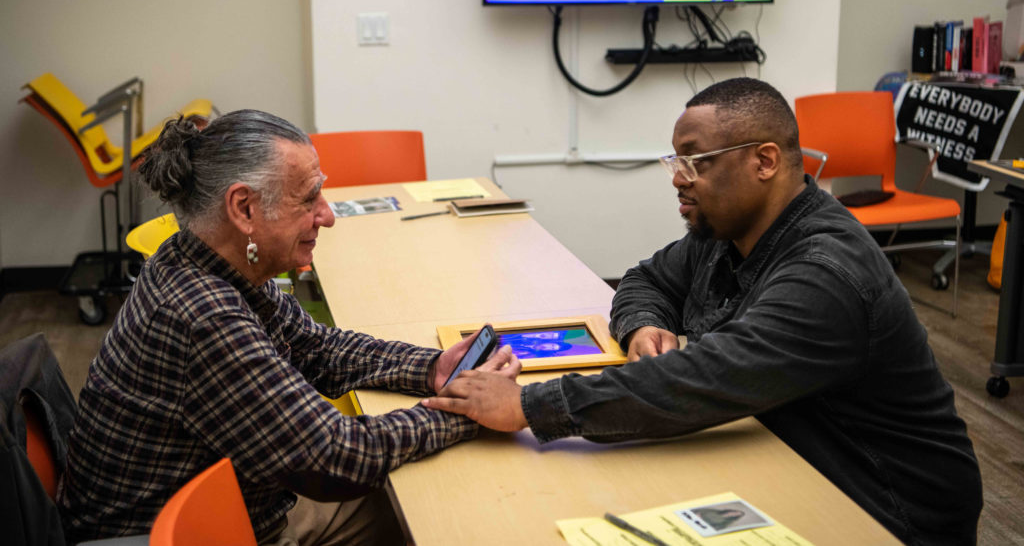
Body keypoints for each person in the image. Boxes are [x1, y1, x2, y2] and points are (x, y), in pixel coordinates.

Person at [424, 78, 983, 545]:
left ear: (765, 161)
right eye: (676, 160)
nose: (677, 177)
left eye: (696, 160)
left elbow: (705, 377)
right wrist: (645, 324)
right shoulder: (727, 233)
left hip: (884, 508)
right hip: (782, 452)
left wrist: (527, 404)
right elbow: (645, 280)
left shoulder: (826, 272)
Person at [58, 109, 520, 545]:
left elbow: (318, 349)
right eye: (308, 199)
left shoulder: (204, 259)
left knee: (417, 498)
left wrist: (431, 368)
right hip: (190, 532)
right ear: (244, 208)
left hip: (234, 500)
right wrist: (466, 411)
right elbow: (335, 458)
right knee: (428, 513)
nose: (328, 216)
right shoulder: (205, 317)